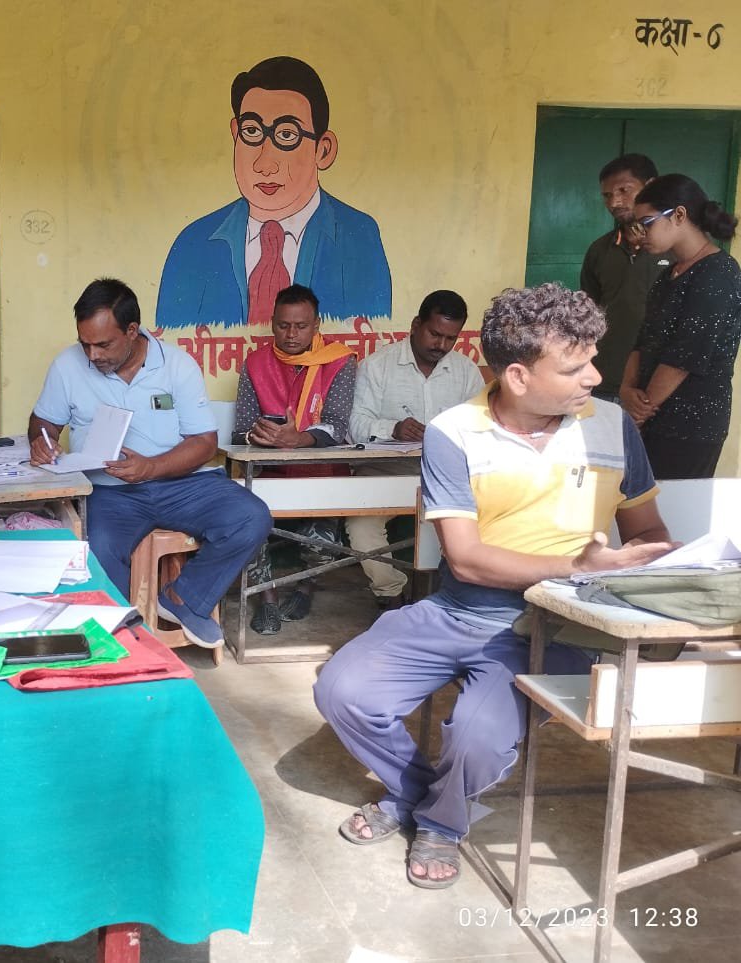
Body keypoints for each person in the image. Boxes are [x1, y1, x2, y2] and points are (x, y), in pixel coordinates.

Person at [314, 283, 674, 890]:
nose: (594, 376)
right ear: (518, 376)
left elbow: (649, 532)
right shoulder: (453, 431)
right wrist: (579, 566)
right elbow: (469, 561)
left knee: (478, 737)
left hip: (553, 624)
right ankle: (428, 799)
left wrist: (658, 563)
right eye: (574, 367)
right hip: (457, 609)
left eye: (592, 359)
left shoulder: (613, 427)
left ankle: (439, 823)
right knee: (342, 691)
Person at [29, 278, 271, 648]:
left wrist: (151, 468)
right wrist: (41, 441)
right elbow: (44, 422)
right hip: (109, 491)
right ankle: (117, 639)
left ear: (132, 330)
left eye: (103, 344)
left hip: (183, 483)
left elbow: (204, 443)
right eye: (85, 344)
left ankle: (182, 598)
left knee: (251, 517)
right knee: (95, 548)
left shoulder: (177, 365)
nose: (92, 355)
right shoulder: (67, 365)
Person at [157, 56, 390, 330]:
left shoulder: (357, 236)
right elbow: (173, 341)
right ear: (235, 133)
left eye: (287, 135)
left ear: (323, 150)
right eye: (251, 131)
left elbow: (364, 337)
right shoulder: (194, 243)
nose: (264, 164)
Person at [346, 290, 485, 609]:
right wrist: (392, 428)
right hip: (385, 470)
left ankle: (448, 600)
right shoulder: (377, 366)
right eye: (435, 334)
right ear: (415, 325)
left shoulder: (465, 371)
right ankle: (392, 595)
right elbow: (354, 424)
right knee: (361, 528)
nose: (441, 345)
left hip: (448, 476)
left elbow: (481, 427)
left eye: (450, 338)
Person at [231, 283, 355, 633]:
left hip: (322, 471)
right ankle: (267, 598)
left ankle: (305, 587)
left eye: (301, 326)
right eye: (283, 325)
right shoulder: (255, 363)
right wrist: (262, 437)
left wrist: (299, 439)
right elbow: (240, 432)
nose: (291, 334)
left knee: (322, 539)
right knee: (245, 520)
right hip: (268, 471)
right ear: (272, 323)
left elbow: (337, 425)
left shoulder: (339, 361)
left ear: (316, 325)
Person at [620, 173, 741, 479]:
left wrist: (641, 410)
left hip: (691, 426)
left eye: (646, 223)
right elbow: (644, 338)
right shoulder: (669, 274)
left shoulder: (719, 273)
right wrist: (627, 389)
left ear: (679, 215)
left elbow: (686, 355)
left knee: (673, 507)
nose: (640, 234)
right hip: (651, 415)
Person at [578, 153, 670, 398]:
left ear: (650, 186)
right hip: (605, 381)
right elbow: (588, 315)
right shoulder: (599, 250)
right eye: (607, 195)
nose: (615, 202)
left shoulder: (677, 250)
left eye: (624, 191)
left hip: (659, 386)